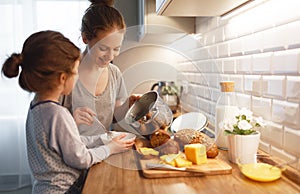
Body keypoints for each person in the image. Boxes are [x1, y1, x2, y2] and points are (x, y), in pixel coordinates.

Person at [1, 30, 134, 194]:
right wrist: (110, 148)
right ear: (63, 78)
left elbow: (70, 144)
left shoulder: (37, 107)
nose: (78, 77)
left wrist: (102, 139)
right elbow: (82, 159)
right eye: (76, 72)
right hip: (64, 190)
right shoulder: (58, 114)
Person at [60, 0, 135, 138]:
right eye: (103, 48)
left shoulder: (114, 73)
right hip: (72, 155)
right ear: (85, 38)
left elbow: (117, 116)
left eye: (116, 49)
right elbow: (48, 123)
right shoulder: (65, 74)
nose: (110, 56)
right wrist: (71, 120)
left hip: (104, 152)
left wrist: (132, 104)